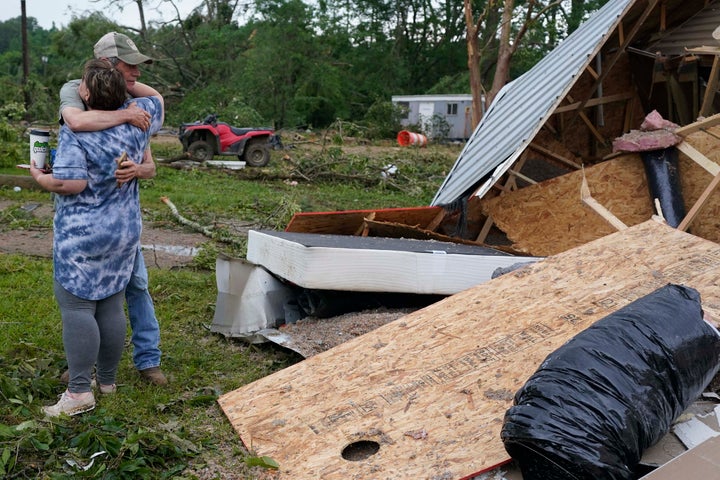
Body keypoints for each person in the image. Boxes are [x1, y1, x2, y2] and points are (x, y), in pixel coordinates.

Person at [34, 59, 164, 416]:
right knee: (111, 303)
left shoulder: (78, 132)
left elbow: (70, 183)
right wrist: (128, 91)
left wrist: (40, 177)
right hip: (123, 232)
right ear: (122, 91)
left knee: (77, 307)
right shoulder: (141, 119)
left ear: (86, 94)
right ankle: (106, 381)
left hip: (83, 237)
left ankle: (78, 393)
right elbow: (156, 96)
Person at [59, 32, 167, 386]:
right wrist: (126, 116)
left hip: (101, 226)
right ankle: (95, 372)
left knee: (123, 290)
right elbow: (76, 122)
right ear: (106, 64)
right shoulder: (74, 91)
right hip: (118, 225)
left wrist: (137, 169)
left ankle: (145, 360)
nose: (136, 72)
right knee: (99, 301)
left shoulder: (132, 102)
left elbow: (149, 166)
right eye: (129, 65)